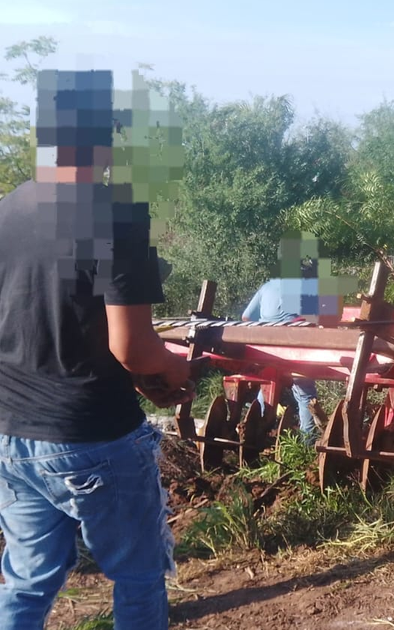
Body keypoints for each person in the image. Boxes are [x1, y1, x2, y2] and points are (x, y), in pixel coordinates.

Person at [0, 70, 193, 629]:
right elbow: (133, 348)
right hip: (91, 435)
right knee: (136, 575)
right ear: (105, 139)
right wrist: (174, 370)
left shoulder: (6, 210)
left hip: (11, 433)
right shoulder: (116, 212)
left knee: (29, 578)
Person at [242, 256, 322, 445]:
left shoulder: (267, 286)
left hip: (266, 352)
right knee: (305, 393)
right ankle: (306, 445)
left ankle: (255, 434)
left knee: (269, 383)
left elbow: (245, 317)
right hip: (295, 351)